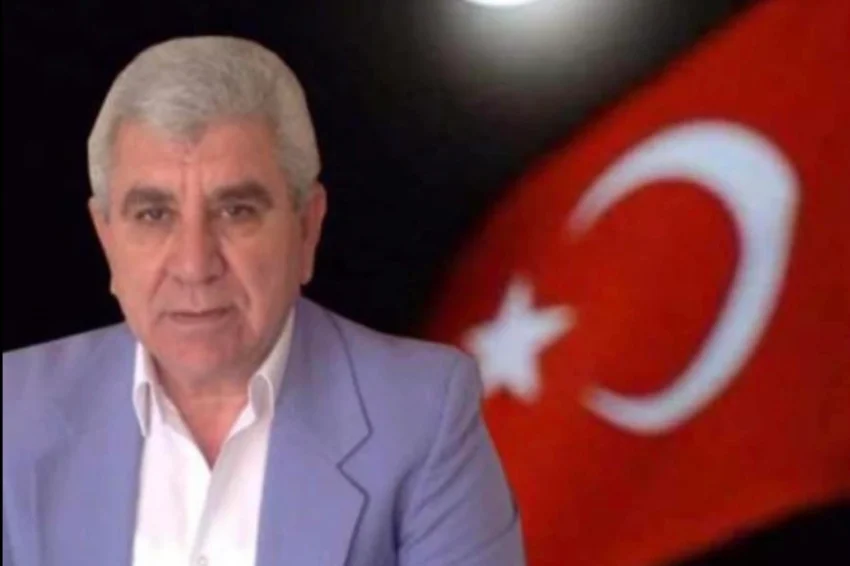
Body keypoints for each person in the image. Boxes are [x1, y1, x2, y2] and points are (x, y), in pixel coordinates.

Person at [2, 36, 524, 566]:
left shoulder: (421, 414)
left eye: (236, 211)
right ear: (106, 236)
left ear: (306, 228)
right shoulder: (12, 411)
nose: (194, 265)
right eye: (154, 215)